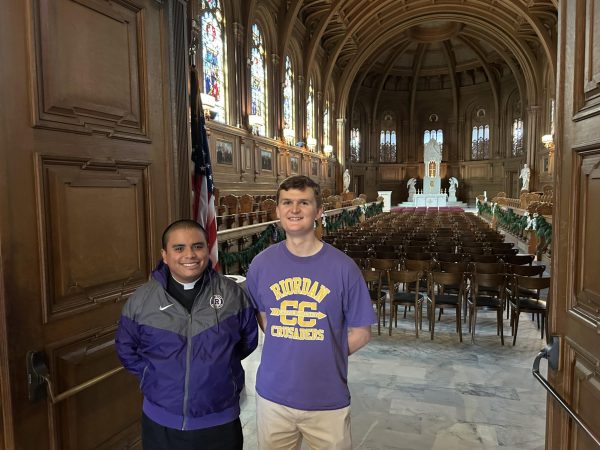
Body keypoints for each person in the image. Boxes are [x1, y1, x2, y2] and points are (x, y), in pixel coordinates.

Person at [246, 175, 376, 450]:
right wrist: (291, 341)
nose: (294, 210)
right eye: (287, 203)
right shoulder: (261, 264)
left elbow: (362, 332)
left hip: (326, 399)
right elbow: (262, 314)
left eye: (303, 203)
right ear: (278, 211)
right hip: (273, 397)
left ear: (318, 212)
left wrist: (326, 351)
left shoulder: (344, 268)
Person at [115, 219, 258, 450]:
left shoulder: (232, 295)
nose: (190, 254)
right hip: (161, 422)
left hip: (219, 420)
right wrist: (151, 375)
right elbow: (126, 348)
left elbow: (247, 341)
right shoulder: (142, 300)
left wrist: (221, 370)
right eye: (179, 248)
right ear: (164, 254)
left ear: (207, 250)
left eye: (198, 246)